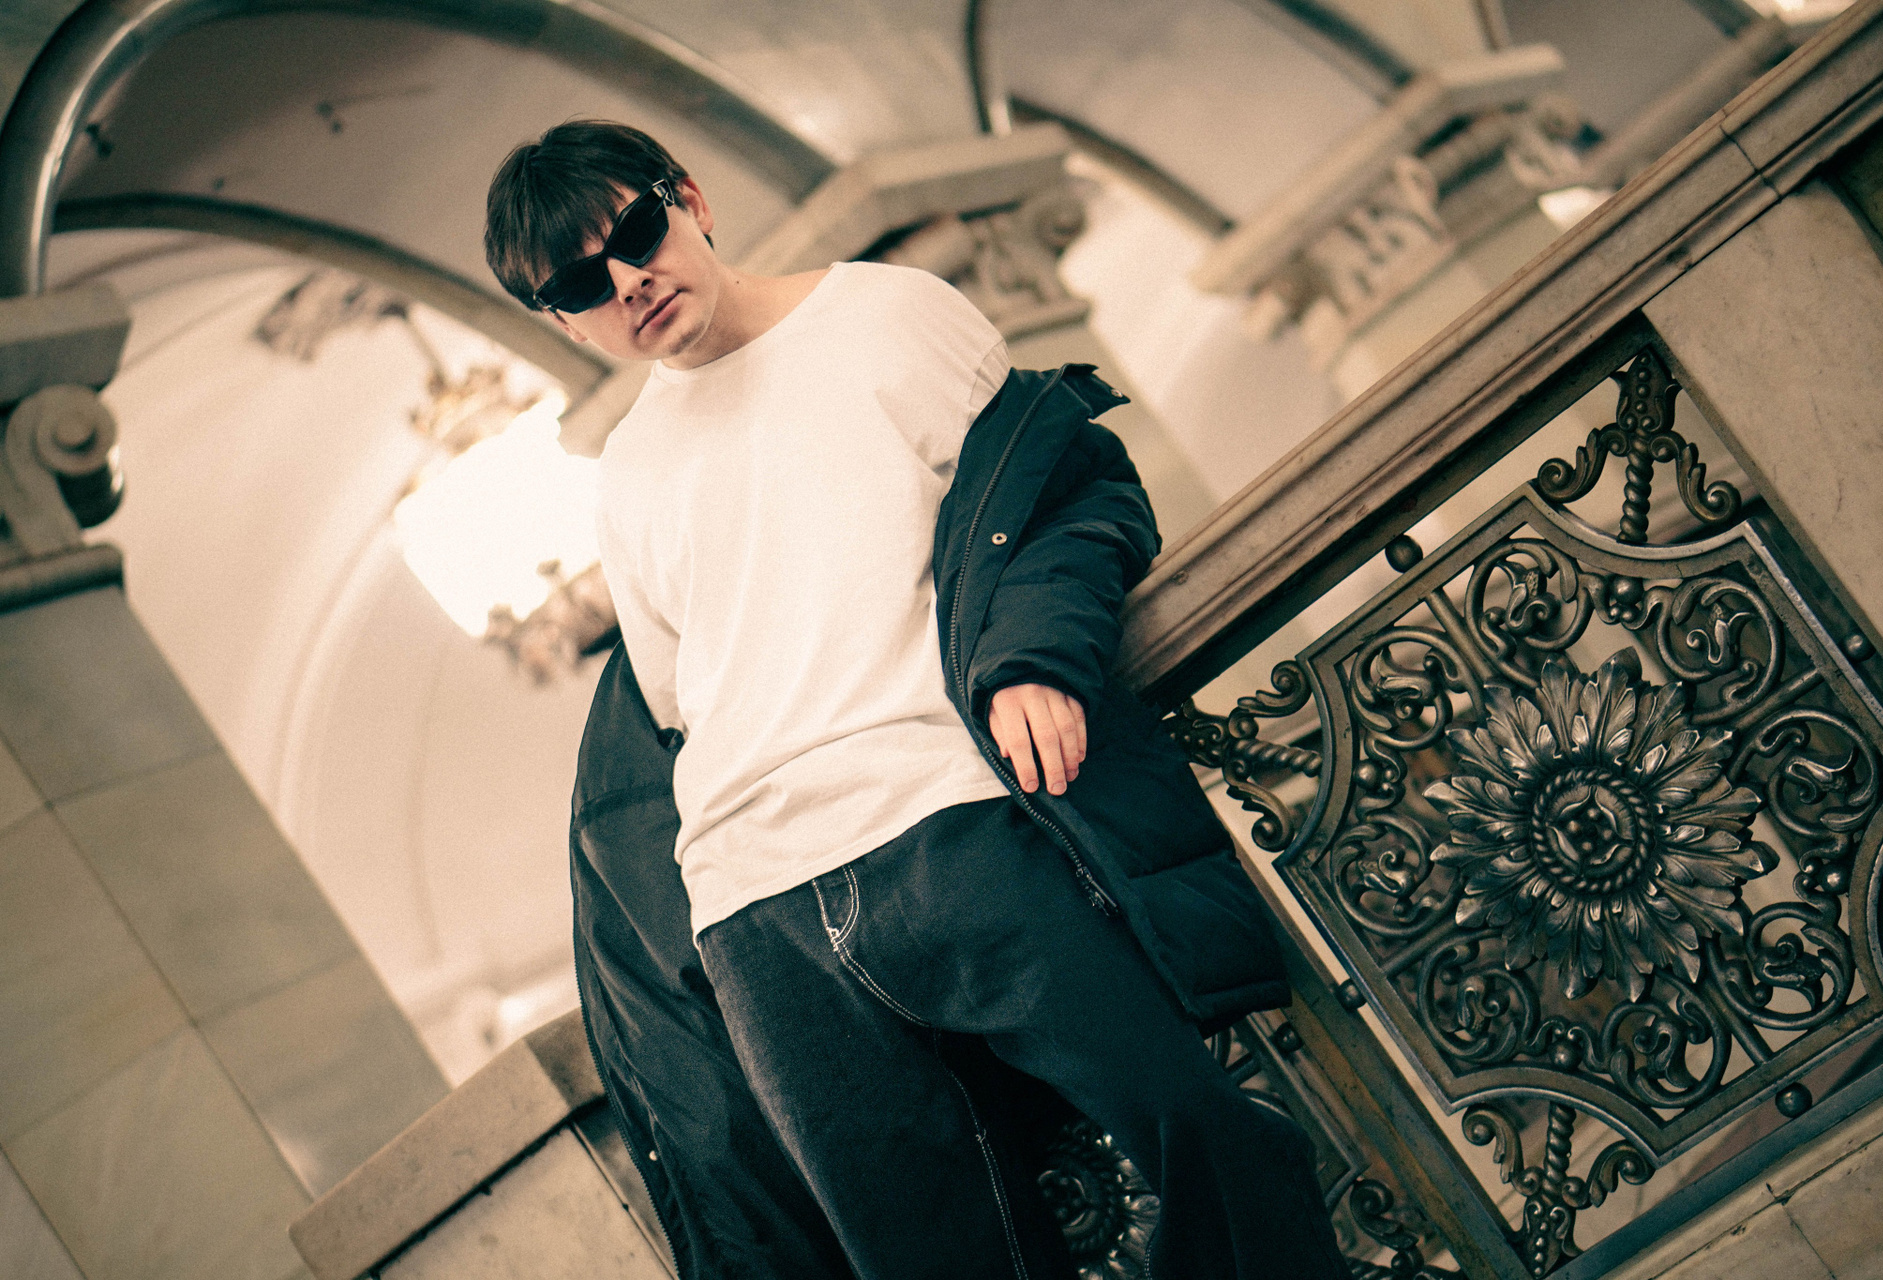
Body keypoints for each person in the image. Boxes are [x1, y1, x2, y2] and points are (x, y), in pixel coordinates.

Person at [484, 119, 1349, 1280]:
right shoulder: (628, 473)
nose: (628, 279)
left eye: (636, 231)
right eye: (582, 284)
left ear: (688, 196)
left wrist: (1033, 660)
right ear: (562, 322)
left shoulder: (886, 315)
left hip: (952, 823)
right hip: (757, 910)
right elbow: (682, 697)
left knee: (1202, 1132)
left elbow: (1057, 495)